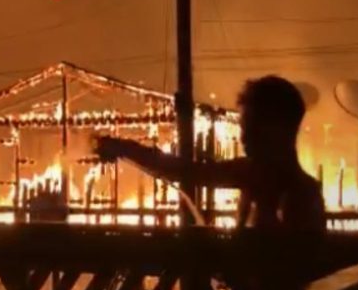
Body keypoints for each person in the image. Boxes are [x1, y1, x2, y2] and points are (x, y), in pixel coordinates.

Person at [94, 75, 325, 234]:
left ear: (277, 128)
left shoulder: (267, 180)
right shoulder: (291, 185)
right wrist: (123, 148)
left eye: (250, 127)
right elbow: (183, 171)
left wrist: (123, 148)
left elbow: (182, 171)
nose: (244, 137)